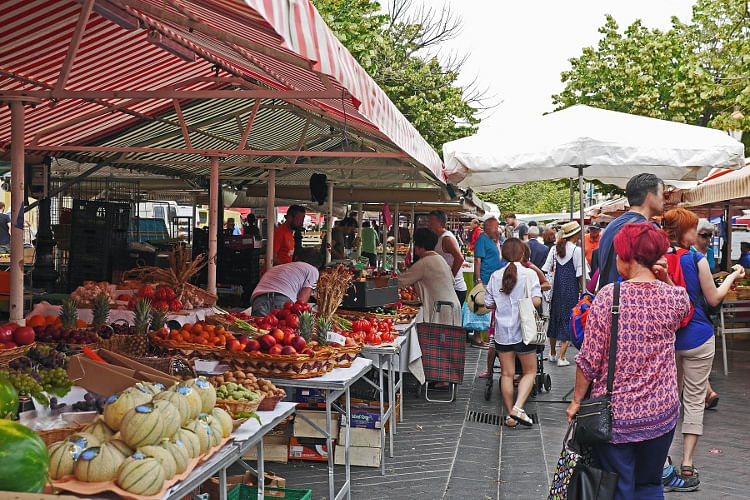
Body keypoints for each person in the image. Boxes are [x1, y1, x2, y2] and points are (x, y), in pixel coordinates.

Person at [567, 223, 692, 499]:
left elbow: (588, 361)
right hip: (661, 414)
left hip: (615, 418)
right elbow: (686, 310)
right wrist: (667, 279)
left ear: (628, 258)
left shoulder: (608, 297)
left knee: (619, 486)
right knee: (649, 484)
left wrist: (576, 401)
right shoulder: (675, 297)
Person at [661, 208, 745, 487]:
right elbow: (713, 299)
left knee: (668, 399)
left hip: (668, 339)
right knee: (694, 400)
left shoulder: (656, 260)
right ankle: (687, 464)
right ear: (686, 231)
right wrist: (733, 277)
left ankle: (661, 461)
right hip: (698, 337)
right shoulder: (696, 259)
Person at [484, 238, 542, 427]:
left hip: (502, 331)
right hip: (523, 331)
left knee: (507, 374)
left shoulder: (494, 276)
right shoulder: (529, 274)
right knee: (530, 371)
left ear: (503, 254)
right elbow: (537, 301)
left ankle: (510, 415)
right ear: (522, 254)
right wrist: (522, 301)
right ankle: (518, 407)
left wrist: (502, 302)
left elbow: (487, 303)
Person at [597, 173, 665, 288]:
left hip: (611, 300)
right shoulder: (646, 231)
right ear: (649, 195)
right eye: (663, 195)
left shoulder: (611, 226)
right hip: (634, 300)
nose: (664, 201)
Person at [543, 221, 588, 366]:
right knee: (569, 319)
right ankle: (562, 357)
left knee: (554, 318)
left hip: (556, 289)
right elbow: (582, 274)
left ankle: (552, 353)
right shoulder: (577, 251)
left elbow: (546, 268)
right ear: (575, 234)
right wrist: (585, 291)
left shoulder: (554, 249)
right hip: (570, 289)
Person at [398, 228, 461, 327]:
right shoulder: (440, 259)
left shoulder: (424, 263)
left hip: (441, 309)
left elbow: (400, 282)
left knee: (437, 340)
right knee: (448, 341)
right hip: (453, 307)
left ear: (420, 246)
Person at [251, 248, 322, 316]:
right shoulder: (313, 270)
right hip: (283, 299)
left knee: (259, 327)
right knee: (283, 328)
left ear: (297, 258)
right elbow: (302, 301)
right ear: (318, 265)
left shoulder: (277, 267)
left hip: (258, 299)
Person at [474, 217, 504, 355]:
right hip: (485, 278)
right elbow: (477, 260)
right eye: (495, 226)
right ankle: (477, 337)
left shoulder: (491, 240)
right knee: (481, 306)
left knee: (486, 308)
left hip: (492, 278)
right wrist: (478, 278)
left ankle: (482, 337)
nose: (497, 229)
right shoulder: (481, 240)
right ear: (487, 227)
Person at [427, 210, 467, 303]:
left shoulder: (447, 238)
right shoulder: (440, 237)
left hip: (454, 289)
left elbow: (460, 258)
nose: (429, 224)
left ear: (440, 222)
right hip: (447, 288)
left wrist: (449, 279)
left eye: (431, 221)